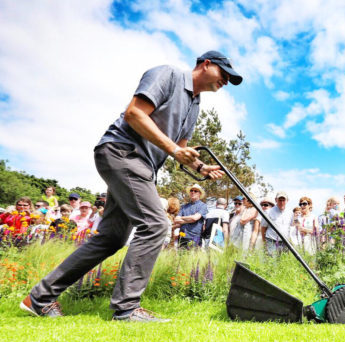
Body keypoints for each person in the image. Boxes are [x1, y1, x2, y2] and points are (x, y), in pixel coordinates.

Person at [21, 50, 238, 321]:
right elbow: (135, 113)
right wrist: (173, 148)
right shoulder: (168, 75)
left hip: (141, 165)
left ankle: (39, 298)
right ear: (206, 64)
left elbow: (180, 150)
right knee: (157, 225)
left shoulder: (194, 105)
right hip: (123, 152)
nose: (226, 81)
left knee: (112, 237)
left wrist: (200, 167)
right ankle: (126, 309)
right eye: (224, 74)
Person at [175, 184, 209, 248]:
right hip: (182, 236)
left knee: (193, 257)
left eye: (195, 191)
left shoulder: (203, 206)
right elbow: (176, 220)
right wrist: (191, 219)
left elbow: (195, 218)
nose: (193, 192)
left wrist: (182, 218)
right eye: (191, 190)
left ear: (200, 194)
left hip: (195, 237)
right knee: (180, 257)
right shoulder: (184, 206)